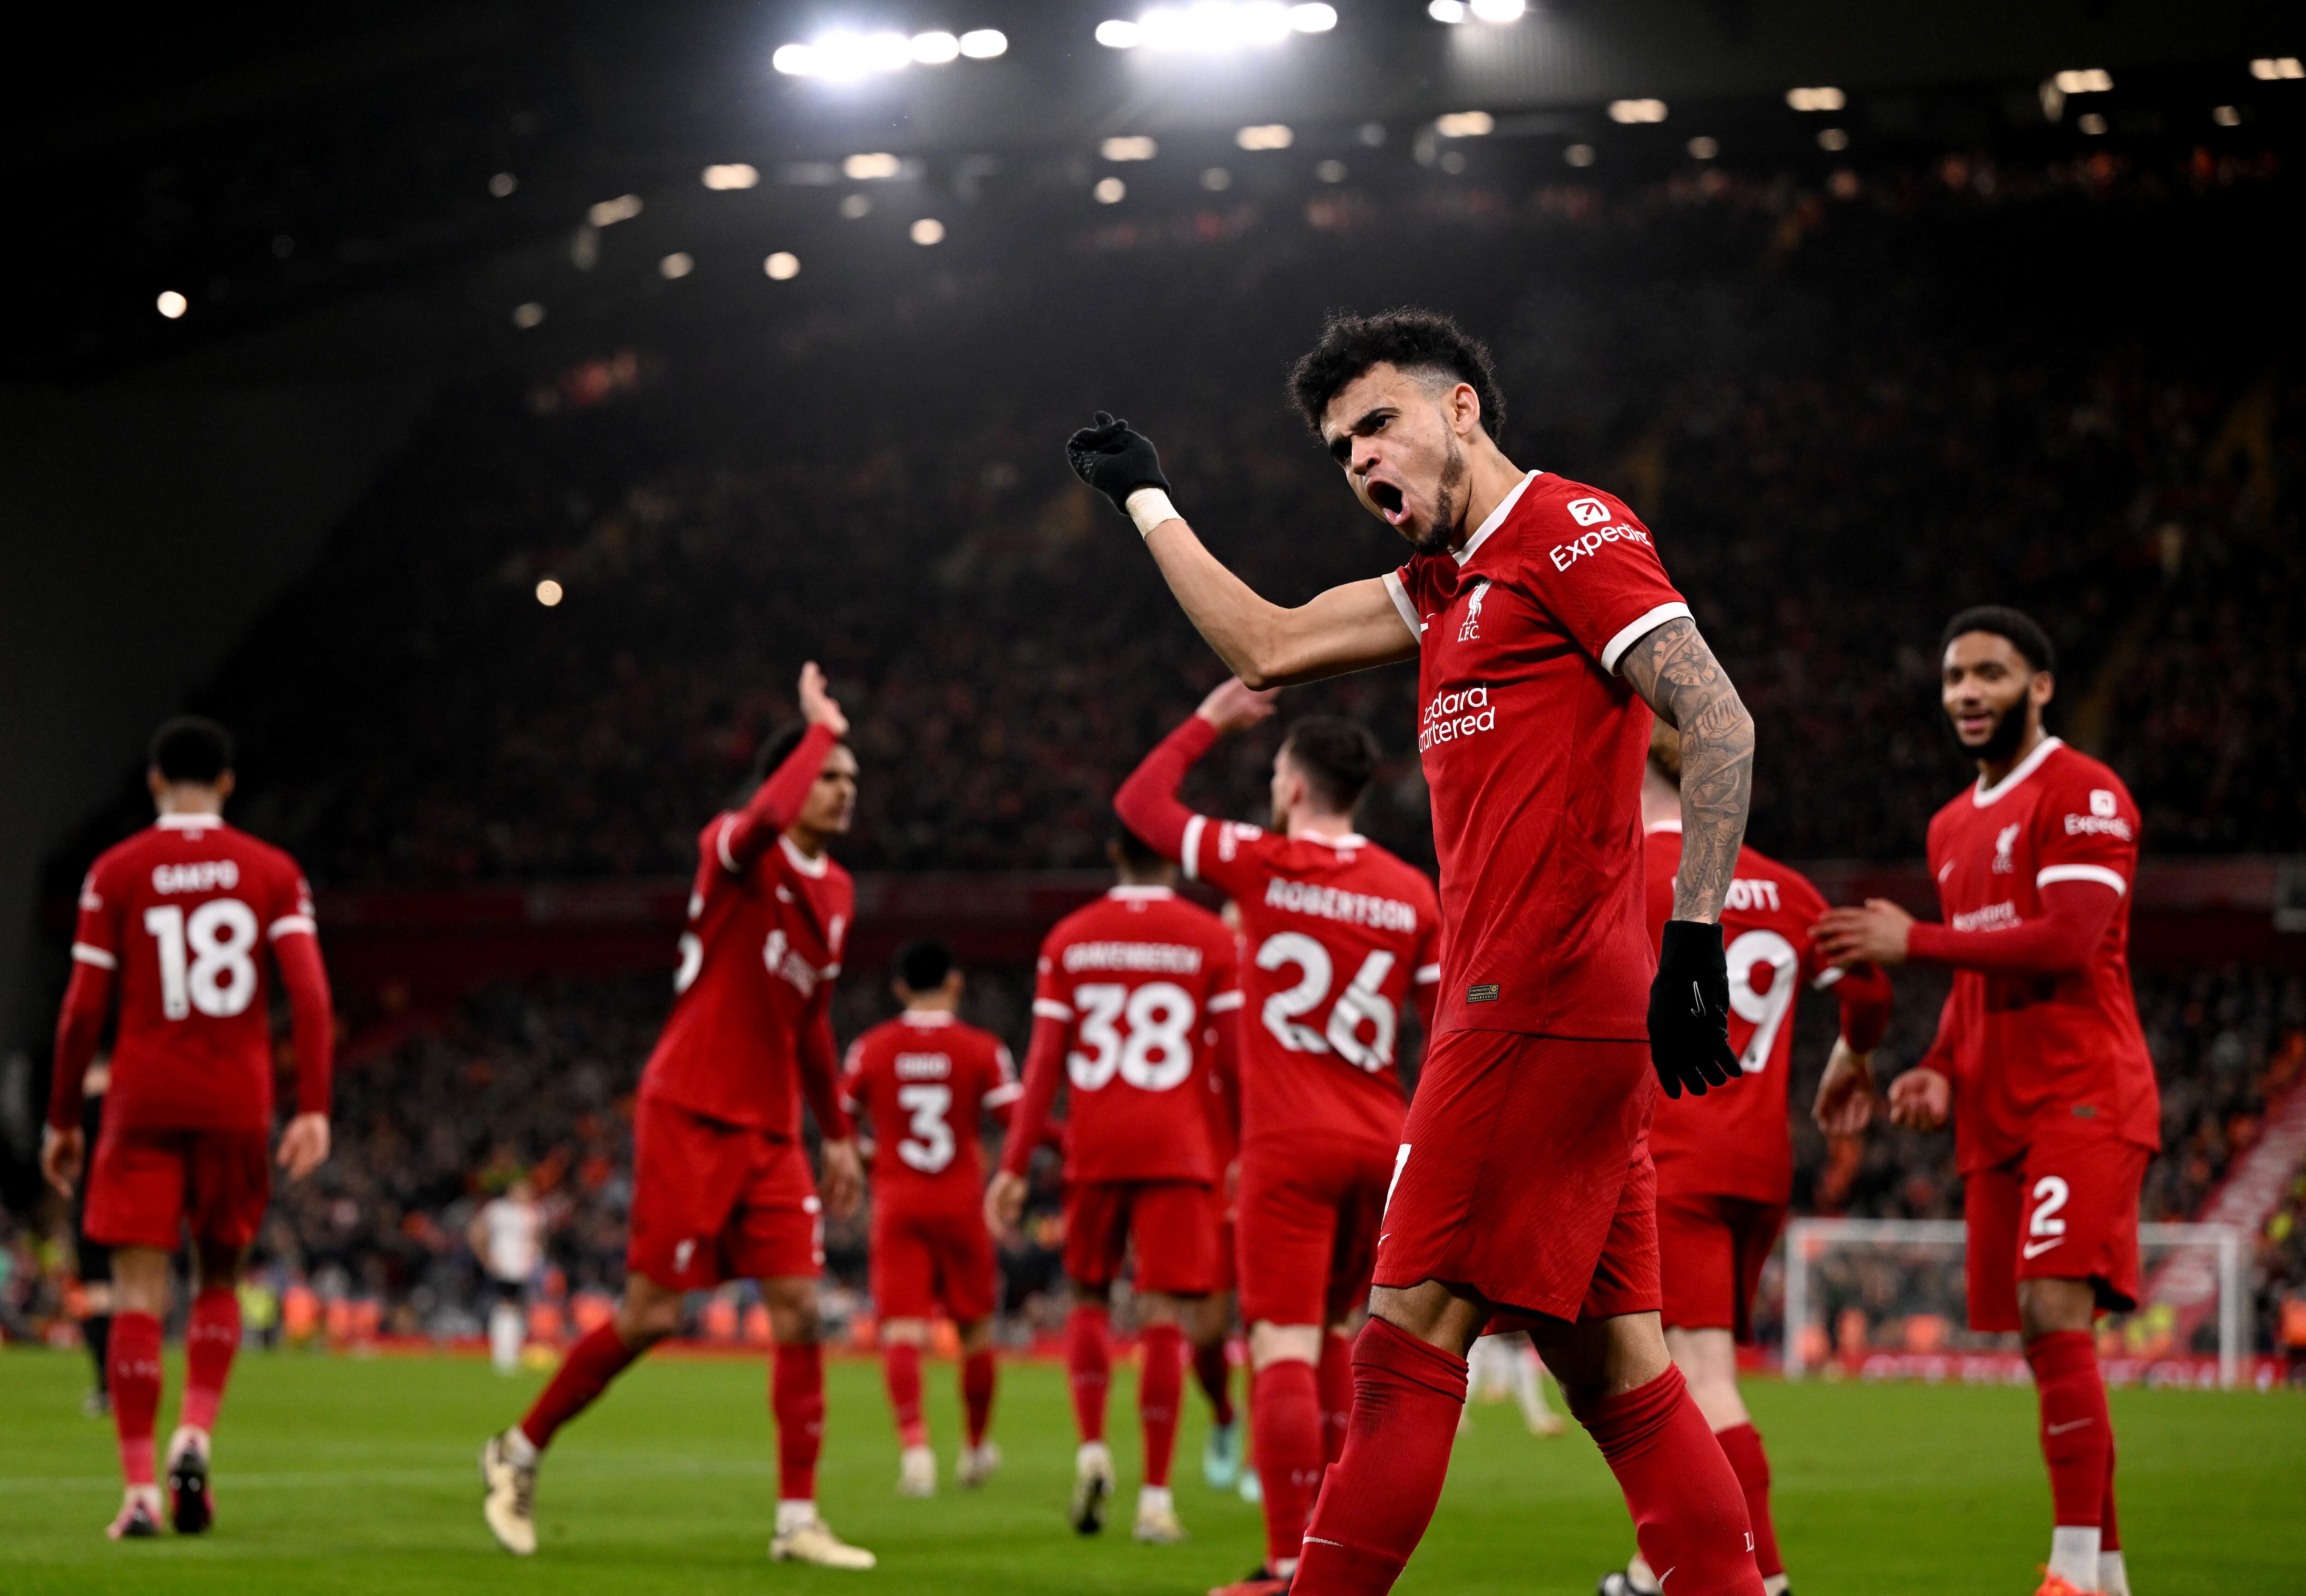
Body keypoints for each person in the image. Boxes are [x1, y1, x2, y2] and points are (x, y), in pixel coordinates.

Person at [1064, 307, 1766, 1596]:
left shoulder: (1568, 531)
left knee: (1401, 1346)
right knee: (1621, 1372)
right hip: (1549, 1013)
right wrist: (1150, 500)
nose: (1362, 463)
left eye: (1378, 423)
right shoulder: (1438, 588)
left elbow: (1720, 720)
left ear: (1461, 411)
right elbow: (1268, 645)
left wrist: (1696, 933)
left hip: (1532, 1003)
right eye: (1341, 451)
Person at [478, 663, 874, 1569]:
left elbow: (811, 1019)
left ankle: (796, 1517)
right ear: (791, 778)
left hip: (771, 1128)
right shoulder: (734, 849)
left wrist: (839, 1132)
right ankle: (520, 1446)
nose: (845, 790)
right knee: (652, 1314)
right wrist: (813, 726)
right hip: (690, 1107)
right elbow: (762, 818)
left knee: (803, 1309)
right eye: (830, 774)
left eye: (852, 779)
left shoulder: (839, 893)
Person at [1815, 607, 2157, 1596]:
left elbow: (2064, 938)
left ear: (2039, 685)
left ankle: (2072, 1572)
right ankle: (2108, 1575)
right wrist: (1937, 1064)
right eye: (1954, 675)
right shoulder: (1949, 823)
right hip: (1993, 1107)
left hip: (2083, 1093)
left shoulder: (2083, 790)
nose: (1965, 691)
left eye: (1990, 673)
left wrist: (1910, 941)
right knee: (2046, 1341)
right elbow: (1979, 976)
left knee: (2056, 1308)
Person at [1113, 676, 1442, 1593]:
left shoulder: (1259, 861)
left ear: (1294, 785)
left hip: (1289, 1145)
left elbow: (1138, 806)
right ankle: (1334, 1559)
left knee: (1283, 1347)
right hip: (1382, 1142)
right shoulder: (1412, 892)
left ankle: (1289, 1559)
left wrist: (1207, 720)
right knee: (1341, 1336)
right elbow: (1442, 1023)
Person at [1599, 722, 1894, 1596]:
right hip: (1758, 1165)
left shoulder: (1628, 874)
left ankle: (1761, 1578)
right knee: (1678, 1369)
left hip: (1671, 1157)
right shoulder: (1788, 889)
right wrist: (1856, 1056)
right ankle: (1654, 1572)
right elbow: (1871, 988)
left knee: (1697, 1377)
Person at [41, 715, 336, 1540]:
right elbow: (309, 995)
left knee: (137, 1294)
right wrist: (313, 1105)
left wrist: (64, 1118)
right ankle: (195, 1436)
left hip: (141, 1100)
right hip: (236, 1103)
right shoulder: (272, 870)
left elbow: (80, 1012)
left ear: (154, 781)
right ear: (230, 784)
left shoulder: (118, 871)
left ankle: (138, 1492)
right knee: (217, 1277)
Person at [985, 825, 1244, 1544]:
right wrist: (1249, 1146)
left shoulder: (1070, 938)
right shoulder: (1208, 938)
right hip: (1178, 1148)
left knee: (1089, 1298)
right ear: (1171, 852)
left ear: (1112, 854)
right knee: (1164, 1313)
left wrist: (1011, 1167)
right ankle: (1156, 1500)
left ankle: (1094, 1446)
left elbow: (1043, 1065)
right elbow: (1239, 1055)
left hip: (1096, 1145)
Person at [839, 936, 1020, 1496]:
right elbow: (1015, 1117)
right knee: (975, 1332)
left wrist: (869, 1156)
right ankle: (974, 1446)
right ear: (955, 982)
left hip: (898, 1203)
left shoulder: (870, 1049)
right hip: (961, 1201)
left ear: (898, 987)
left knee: (901, 1331)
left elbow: (837, 1121)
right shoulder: (982, 1049)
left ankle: (916, 1451)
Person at [468, 1178, 547, 1376]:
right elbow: (476, 1232)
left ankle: (512, 1354)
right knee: (505, 1307)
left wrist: (536, 1259)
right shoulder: (498, 1210)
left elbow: (539, 1238)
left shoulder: (535, 1213)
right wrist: (486, 1259)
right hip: (503, 1267)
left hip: (524, 1269)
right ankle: (503, 1356)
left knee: (517, 1309)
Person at [73, 1061, 115, 1418]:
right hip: (128, 1205)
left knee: (99, 1298)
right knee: (128, 1298)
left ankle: (106, 1383)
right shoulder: (126, 1100)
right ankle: (126, 1380)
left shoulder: (80, 1109)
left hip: (90, 1208)